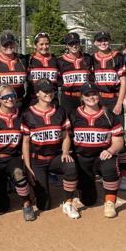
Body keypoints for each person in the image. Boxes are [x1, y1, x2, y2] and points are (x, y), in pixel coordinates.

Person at [21, 79, 79, 219]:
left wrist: (65, 152)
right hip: (37, 161)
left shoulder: (60, 111)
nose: (49, 93)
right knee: (44, 205)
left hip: (54, 157)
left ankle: (68, 202)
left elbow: (66, 137)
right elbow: (26, 143)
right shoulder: (28, 114)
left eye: (51, 90)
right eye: (45, 91)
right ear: (37, 93)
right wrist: (28, 167)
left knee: (70, 166)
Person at [69, 82, 124, 218]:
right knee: (88, 201)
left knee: (110, 165)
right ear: (82, 97)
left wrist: (110, 151)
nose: (91, 97)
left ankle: (110, 203)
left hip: (102, 157)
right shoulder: (74, 115)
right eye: (87, 95)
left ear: (98, 95)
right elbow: (67, 139)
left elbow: (118, 141)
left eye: (94, 93)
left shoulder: (109, 115)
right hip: (83, 158)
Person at [0, 84, 35, 222]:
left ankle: (26, 203)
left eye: (12, 96)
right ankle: (3, 189)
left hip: (12, 158)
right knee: (2, 207)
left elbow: (25, 143)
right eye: (5, 97)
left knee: (18, 173)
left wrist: (27, 164)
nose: (10, 99)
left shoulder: (21, 116)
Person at [91, 31, 126, 191]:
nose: (103, 42)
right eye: (100, 40)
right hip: (98, 100)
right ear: (95, 43)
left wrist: (119, 103)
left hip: (113, 99)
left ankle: (124, 174)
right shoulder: (92, 59)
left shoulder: (118, 57)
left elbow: (123, 82)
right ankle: (102, 171)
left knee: (118, 137)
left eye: (106, 40)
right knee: (101, 135)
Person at [0, 31, 28, 110]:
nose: (8, 46)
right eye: (5, 44)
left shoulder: (23, 60)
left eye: (11, 43)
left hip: (18, 104)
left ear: (15, 44)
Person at [57, 32, 94, 115]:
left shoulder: (88, 58)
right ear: (66, 46)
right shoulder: (60, 61)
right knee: (68, 124)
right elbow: (58, 81)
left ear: (79, 43)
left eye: (76, 42)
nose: (74, 46)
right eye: (71, 43)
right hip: (68, 98)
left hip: (85, 97)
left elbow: (92, 78)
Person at [26, 32, 59, 105]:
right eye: (41, 44)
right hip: (33, 100)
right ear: (35, 45)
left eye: (47, 44)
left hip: (51, 100)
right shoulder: (28, 59)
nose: (44, 47)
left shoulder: (55, 60)